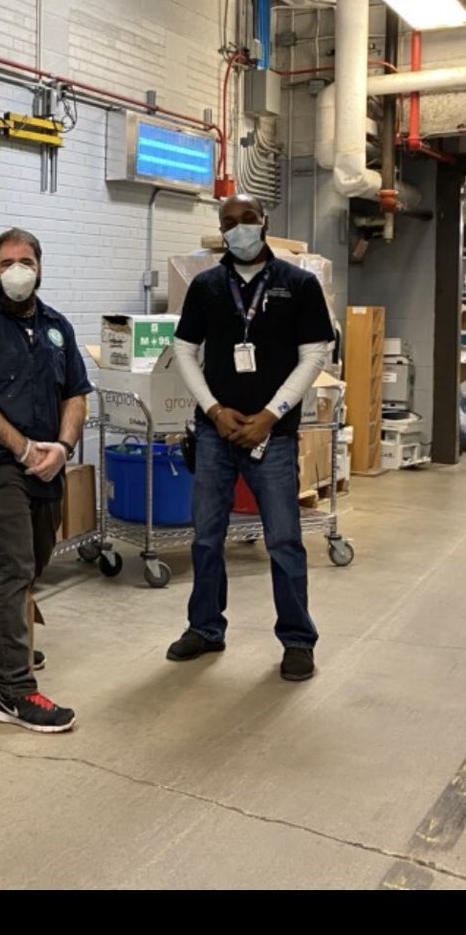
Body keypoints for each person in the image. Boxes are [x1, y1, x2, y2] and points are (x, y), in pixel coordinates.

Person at [169, 192, 334, 681]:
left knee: (284, 540)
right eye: (228, 222)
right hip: (216, 434)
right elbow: (183, 350)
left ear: (264, 221)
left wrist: (270, 413)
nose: (238, 228)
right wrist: (213, 409)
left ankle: (298, 640)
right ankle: (205, 628)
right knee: (206, 537)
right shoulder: (207, 286)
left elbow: (314, 354)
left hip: (274, 435)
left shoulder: (297, 284)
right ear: (221, 230)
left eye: (246, 219)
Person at [0, 228, 92, 732]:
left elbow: (75, 394)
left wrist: (62, 448)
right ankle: (10, 690)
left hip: (47, 463)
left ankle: (11, 644)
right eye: (7, 262)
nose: (17, 270)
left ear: (40, 266)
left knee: (36, 562)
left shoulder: (57, 326)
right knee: (14, 565)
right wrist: (20, 447)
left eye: (25, 260)